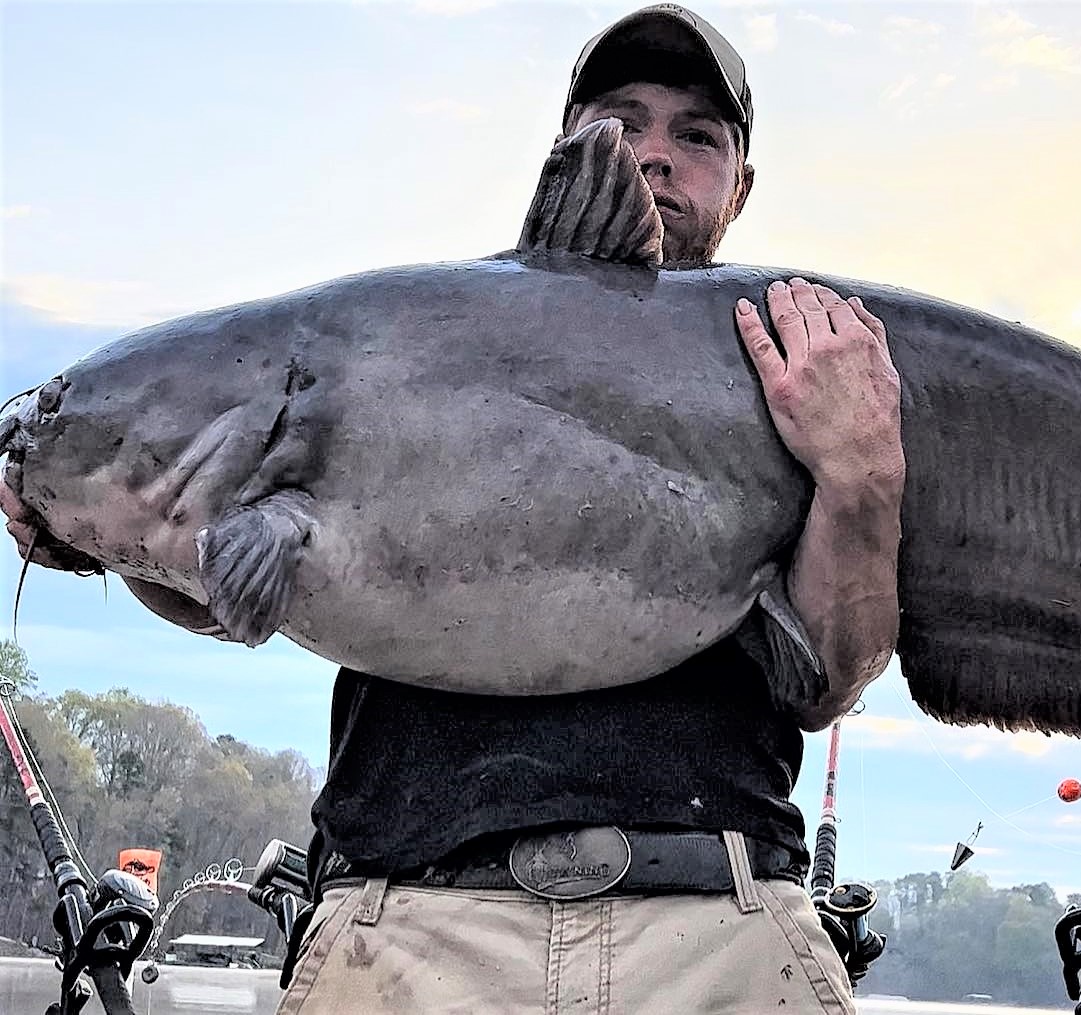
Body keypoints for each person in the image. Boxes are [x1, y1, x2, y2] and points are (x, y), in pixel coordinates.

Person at [1, 5, 905, 1012]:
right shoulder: (396, 340)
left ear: (740, 184)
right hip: (407, 923)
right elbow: (226, 595)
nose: (654, 155)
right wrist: (100, 530)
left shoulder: (821, 372)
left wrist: (861, 483)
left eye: (696, 135)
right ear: (566, 144)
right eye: (621, 119)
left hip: (717, 919)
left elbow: (826, 674)